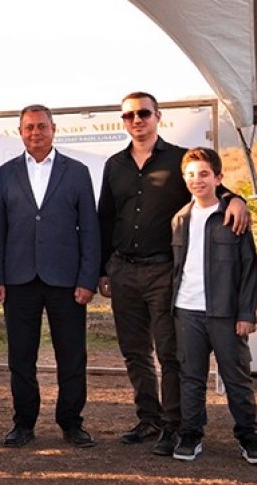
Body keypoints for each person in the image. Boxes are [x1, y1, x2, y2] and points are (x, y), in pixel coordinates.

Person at [98, 91, 247, 456]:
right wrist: (103, 269)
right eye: (129, 115)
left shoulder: (180, 159)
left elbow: (211, 189)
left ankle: (173, 424)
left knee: (170, 353)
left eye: (144, 113)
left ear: (157, 116)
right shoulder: (114, 165)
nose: (137, 120)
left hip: (163, 271)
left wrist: (237, 199)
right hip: (122, 270)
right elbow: (105, 218)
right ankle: (148, 418)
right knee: (134, 352)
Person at [0, 105, 99, 448]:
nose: (35, 133)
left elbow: (90, 231)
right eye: (28, 128)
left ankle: (71, 422)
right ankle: (23, 423)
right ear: (19, 132)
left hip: (66, 280)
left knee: (72, 355)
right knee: (21, 357)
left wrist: (87, 279)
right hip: (19, 278)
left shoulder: (77, 172)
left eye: (41, 127)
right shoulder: (5, 174)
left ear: (54, 129)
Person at [170, 147, 257, 463]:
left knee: (237, 378)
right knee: (191, 377)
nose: (197, 181)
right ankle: (191, 434)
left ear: (218, 178)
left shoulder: (231, 216)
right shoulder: (179, 219)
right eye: (191, 175)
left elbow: (249, 268)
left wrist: (246, 313)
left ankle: (249, 438)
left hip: (225, 313)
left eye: (203, 174)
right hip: (187, 311)